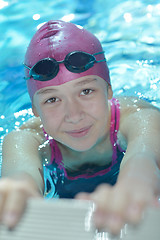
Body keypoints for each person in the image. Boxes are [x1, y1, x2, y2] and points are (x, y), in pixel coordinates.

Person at [1, 20, 160, 235]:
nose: (74, 115)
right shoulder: (28, 138)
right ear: (35, 110)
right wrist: (18, 191)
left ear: (108, 90)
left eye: (86, 91)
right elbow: (20, 174)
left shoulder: (139, 116)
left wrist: (136, 182)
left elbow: (144, 157)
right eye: (52, 100)